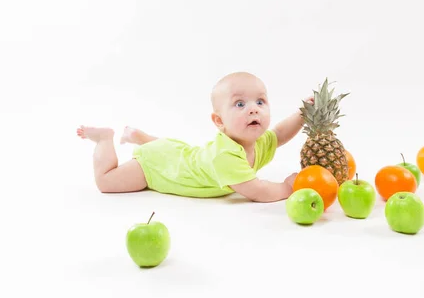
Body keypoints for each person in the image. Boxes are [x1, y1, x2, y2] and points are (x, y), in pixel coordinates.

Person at [77, 72, 311, 202]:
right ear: (219, 122)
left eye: (260, 101)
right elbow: (258, 191)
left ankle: (140, 136)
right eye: (240, 104)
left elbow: (279, 134)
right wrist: (287, 187)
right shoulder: (225, 156)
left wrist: (303, 114)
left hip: (175, 153)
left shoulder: (257, 142)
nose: (253, 109)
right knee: (106, 182)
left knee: (177, 153)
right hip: (157, 167)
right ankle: (105, 140)